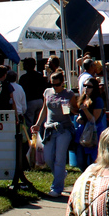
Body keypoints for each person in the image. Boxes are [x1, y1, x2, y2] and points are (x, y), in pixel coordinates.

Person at [30, 69, 78, 197]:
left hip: (64, 128)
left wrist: (68, 107)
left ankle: (56, 188)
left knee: (59, 158)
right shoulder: (47, 92)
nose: (54, 87)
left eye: (57, 85)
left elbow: (74, 111)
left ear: (63, 83)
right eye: (52, 84)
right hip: (50, 128)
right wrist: (38, 124)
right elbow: (44, 109)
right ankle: (61, 174)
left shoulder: (69, 94)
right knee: (47, 157)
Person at [75, 78, 107, 168]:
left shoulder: (98, 100)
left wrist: (85, 110)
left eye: (89, 87)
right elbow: (81, 114)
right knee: (80, 160)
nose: (86, 88)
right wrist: (79, 117)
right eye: (84, 86)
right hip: (82, 131)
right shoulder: (83, 98)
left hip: (94, 132)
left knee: (94, 159)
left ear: (94, 88)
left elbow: (94, 119)